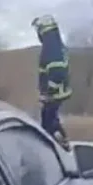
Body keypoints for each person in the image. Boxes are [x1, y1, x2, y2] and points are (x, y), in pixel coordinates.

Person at [32, 15, 72, 151]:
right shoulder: (56, 43)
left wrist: (49, 92)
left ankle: (56, 149)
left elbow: (57, 72)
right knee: (51, 119)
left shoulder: (51, 47)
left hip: (54, 94)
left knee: (48, 123)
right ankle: (62, 144)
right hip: (58, 92)